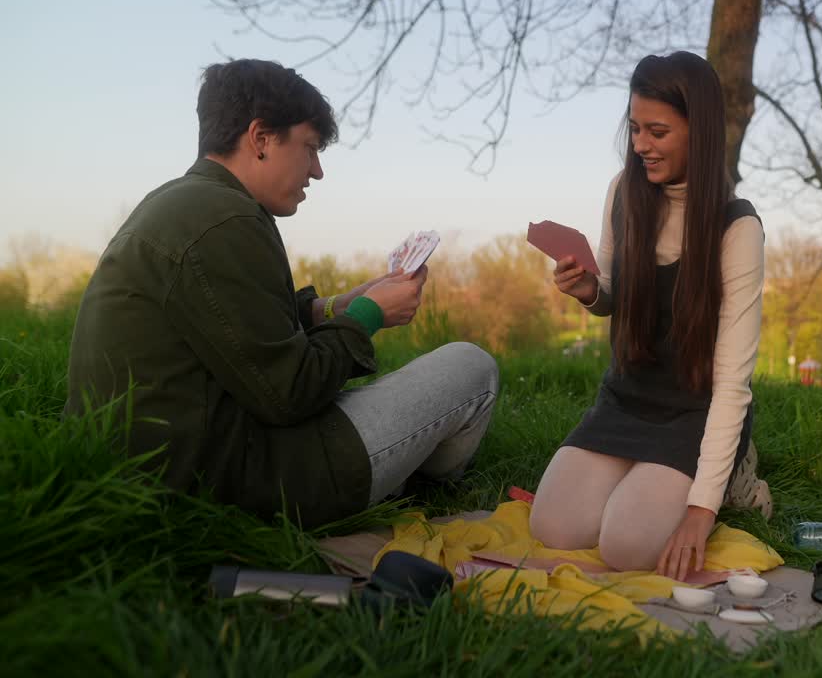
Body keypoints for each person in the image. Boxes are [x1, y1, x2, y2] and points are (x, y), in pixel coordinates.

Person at [65, 59, 499, 528]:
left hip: (166, 466)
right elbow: (291, 393)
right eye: (310, 148)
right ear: (261, 138)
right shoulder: (227, 219)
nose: (318, 171)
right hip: (226, 483)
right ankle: (412, 495)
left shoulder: (185, 203)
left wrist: (336, 307)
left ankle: (394, 481)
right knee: (471, 369)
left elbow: (240, 325)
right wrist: (368, 316)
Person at [529, 52, 772, 581]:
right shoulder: (624, 192)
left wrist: (701, 512)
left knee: (627, 546)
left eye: (658, 131)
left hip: (694, 411)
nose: (641, 144)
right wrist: (590, 291)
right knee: (554, 526)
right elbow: (613, 293)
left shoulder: (737, 230)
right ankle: (647, 479)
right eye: (636, 128)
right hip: (627, 398)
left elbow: (733, 383)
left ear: (699, 132)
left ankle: (734, 476)